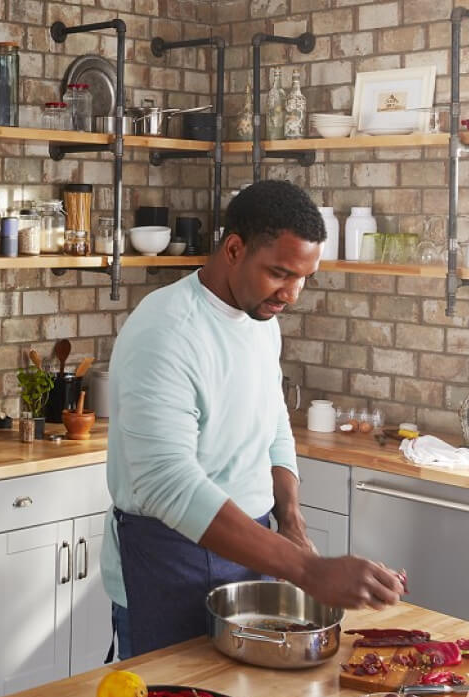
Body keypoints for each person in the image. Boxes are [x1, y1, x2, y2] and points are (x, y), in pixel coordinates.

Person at [102, 180, 405, 660]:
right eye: (280, 273)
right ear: (234, 249)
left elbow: (273, 418)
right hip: (168, 560)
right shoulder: (166, 331)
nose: (293, 294)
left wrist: (291, 518)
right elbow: (166, 485)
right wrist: (309, 571)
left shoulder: (262, 320)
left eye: (304, 277)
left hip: (253, 552)